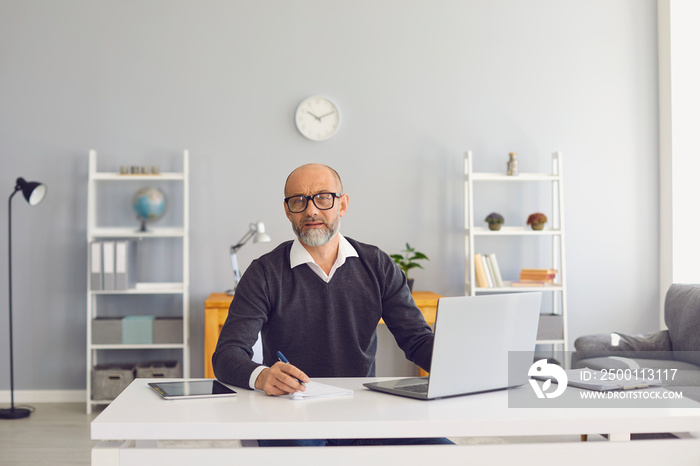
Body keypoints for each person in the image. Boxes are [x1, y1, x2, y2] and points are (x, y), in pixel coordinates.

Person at [212, 163, 453, 447]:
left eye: (323, 197)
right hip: (291, 415)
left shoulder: (377, 265)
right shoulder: (264, 272)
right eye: (299, 200)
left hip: (362, 415)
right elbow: (227, 355)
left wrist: (463, 363)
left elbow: (417, 340)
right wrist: (263, 376)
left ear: (343, 204)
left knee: (444, 454)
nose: (311, 210)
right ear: (288, 211)